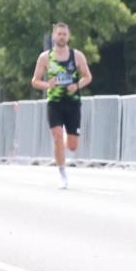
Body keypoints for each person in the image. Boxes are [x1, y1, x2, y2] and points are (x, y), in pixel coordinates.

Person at [30, 22, 92, 188]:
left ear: (68, 37)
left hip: (72, 103)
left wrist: (77, 85)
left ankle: (64, 141)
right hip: (55, 103)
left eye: (64, 34)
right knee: (57, 137)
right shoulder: (45, 57)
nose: (62, 37)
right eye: (59, 34)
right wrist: (47, 85)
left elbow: (88, 77)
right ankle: (62, 173)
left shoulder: (77, 56)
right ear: (53, 36)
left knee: (72, 146)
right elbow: (35, 81)